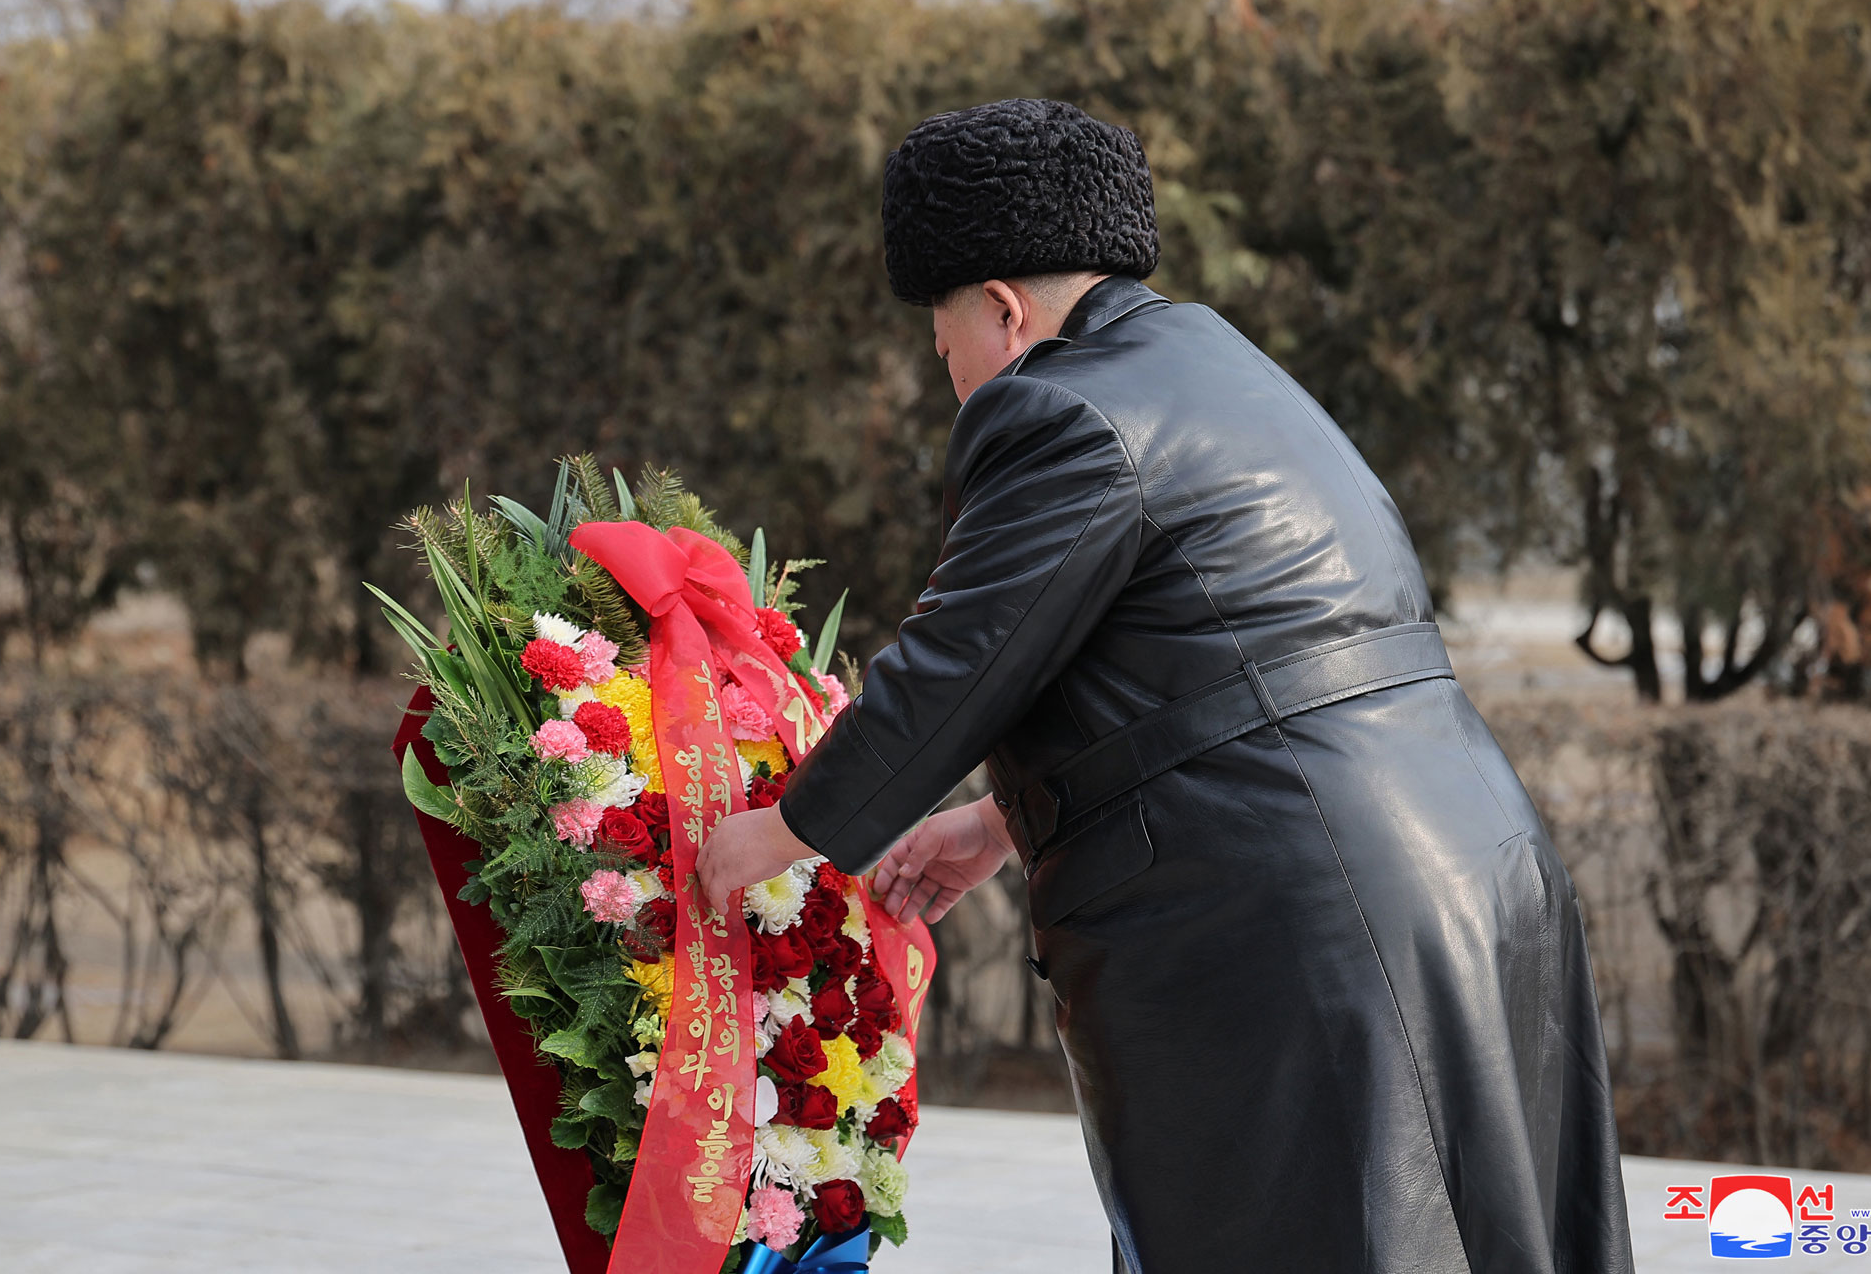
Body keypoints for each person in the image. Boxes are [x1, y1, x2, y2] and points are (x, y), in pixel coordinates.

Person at [699, 98, 1634, 1273]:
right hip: (1467, 873)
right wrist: (1003, 819)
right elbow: (1244, 653)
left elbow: (955, 665)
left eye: (944, 347)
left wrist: (769, 835)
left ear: (1000, 311)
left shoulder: (1055, 408)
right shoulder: (1218, 364)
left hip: (1298, 924)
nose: (952, 380)